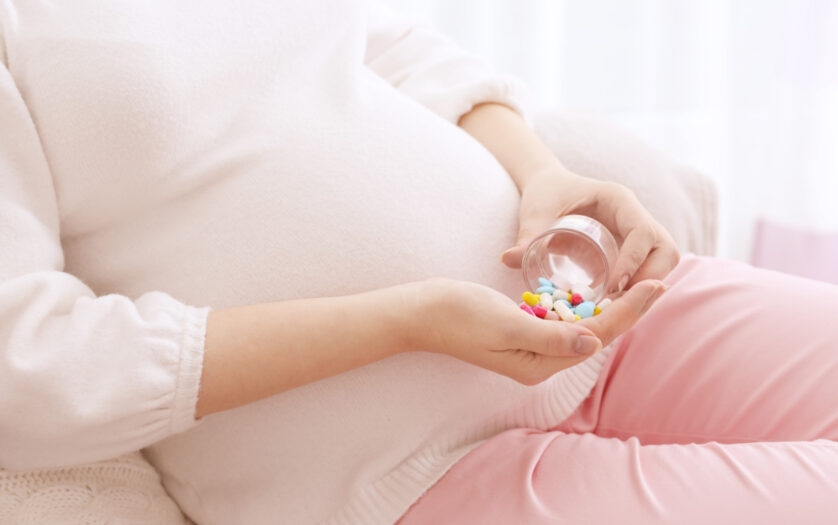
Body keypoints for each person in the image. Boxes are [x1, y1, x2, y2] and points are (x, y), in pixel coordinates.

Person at [1, 1, 836, 524]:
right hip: (404, 474)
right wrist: (409, 321)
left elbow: (387, 45)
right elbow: (27, 364)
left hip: (586, 309)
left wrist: (543, 173)